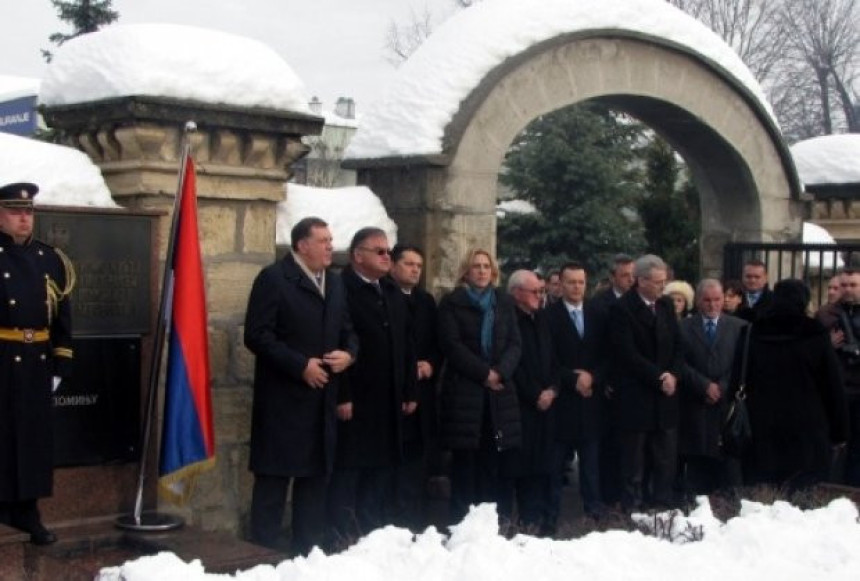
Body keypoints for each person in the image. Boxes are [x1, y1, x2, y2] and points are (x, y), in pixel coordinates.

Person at [244, 216, 357, 555]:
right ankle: (261, 558)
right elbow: (257, 335)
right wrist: (300, 365)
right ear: (301, 245)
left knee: (313, 486)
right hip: (282, 404)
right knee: (273, 487)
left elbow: (349, 330)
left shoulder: (335, 283)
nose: (329, 247)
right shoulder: (274, 279)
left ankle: (307, 556)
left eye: (331, 239)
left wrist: (348, 355)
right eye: (323, 240)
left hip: (321, 404)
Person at [327, 228, 417, 544]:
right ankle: (342, 536)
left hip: (389, 399)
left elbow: (407, 344)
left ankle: (372, 534)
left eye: (387, 251)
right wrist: (343, 395)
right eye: (378, 251)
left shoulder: (391, 291)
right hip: (357, 399)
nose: (386, 256)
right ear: (357, 255)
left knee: (380, 471)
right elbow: (337, 342)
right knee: (349, 473)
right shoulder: (341, 288)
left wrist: (409, 390)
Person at [0, 182, 75, 546]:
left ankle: (28, 511)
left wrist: (61, 363)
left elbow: (63, 317)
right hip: (2, 357)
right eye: (15, 211)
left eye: (29, 212)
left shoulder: (50, 259)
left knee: (32, 438)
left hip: (36, 359)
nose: (24, 218)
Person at [737, 279, 848, 489]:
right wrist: (839, 431)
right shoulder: (814, 333)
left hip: (761, 427)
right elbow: (832, 386)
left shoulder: (752, 332)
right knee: (801, 499)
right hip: (807, 431)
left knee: (763, 499)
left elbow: (738, 377)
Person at [437, 249, 522, 522]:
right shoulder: (452, 303)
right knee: (465, 464)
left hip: (499, 400)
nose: (482, 271)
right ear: (466, 271)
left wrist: (500, 373)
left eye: (487, 266)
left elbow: (514, 344)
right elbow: (452, 345)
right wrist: (484, 373)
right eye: (476, 266)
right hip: (466, 397)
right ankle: (460, 523)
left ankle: (490, 523)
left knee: (494, 459)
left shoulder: (504, 303)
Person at [609, 254, 683, 510]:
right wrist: (658, 376)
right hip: (637, 396)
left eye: (665, 281)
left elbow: (678, 346)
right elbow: (626, 353)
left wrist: (673, 374)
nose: (663, 287)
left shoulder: (665, 306)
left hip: (665, 397)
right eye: (657, 282)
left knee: (665, 459)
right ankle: (633, 509)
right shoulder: (622, 309)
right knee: (634, 462)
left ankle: (662, 506)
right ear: (640, 281)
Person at [545, 262, 608, 522]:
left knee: (591, 467)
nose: (577, 287)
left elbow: (610, 355)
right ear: (560, 284)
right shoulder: (548, 316)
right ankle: (550, 518)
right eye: (571, 282)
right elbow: (547, 359)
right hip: (563, 403)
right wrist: (573, 379)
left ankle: (594, 515)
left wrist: (592, 377)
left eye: (581, 282)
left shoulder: (598, 313)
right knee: (555, 466)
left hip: (591, 403)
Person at [678, 279, 747, 496]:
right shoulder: (683, 328)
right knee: (698, 464)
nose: (712, 305)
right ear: (698, 301)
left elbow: (742, 363)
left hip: (727, 407)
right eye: (707, 300)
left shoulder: (739, 327)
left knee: (728, 464)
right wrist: (704, 385)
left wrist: (723, 387)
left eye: (717, 299)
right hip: (695, 403)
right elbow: (678, 362)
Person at [388, 243, 441, 528]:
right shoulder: (385, 295)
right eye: (409, 264)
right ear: (394, 265)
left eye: (419, 266)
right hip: (395, 392)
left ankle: (416, 519)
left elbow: (436, 342)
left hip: (424, 391)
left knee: (419, 460)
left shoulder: (426, 301)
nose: (415, 270)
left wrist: (431, 364)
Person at [506, 269, 558, 532]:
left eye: (542, 291)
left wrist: (553, 390)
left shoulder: (544, 320)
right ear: (516, 293)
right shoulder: (507, 320)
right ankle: (508, 527)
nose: (540, 296)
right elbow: (513, 364)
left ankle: (534, 524)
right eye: (534, 291)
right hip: (518, 408)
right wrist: (534, 394)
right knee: (514, 472)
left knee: (540, 472)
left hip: (545, 408)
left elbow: (557, 359)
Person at [590, 253, 635, 506]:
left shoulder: (640, 302)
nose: (629, 280)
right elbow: (599, 346)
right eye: (624, 275)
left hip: (634, 385)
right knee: (608, 446)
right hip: (607, 385)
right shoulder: (599, 305)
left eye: (632, 275)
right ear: (612, 278)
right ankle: (608, 498)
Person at [815, 269, 860, 486]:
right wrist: (828, 345)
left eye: (854, 285)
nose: (848, 290)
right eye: (844, 285)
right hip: (837, 388)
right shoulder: (825, 315)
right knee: (834, 443)